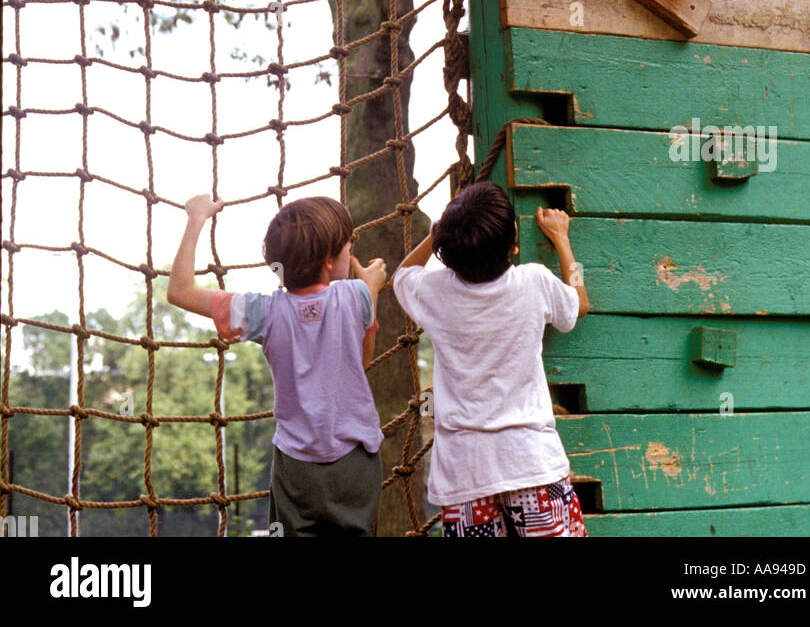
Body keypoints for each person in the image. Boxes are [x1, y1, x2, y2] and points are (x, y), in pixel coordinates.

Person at [167, 193, 387, 537]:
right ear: (329, 260)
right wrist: (372, 284)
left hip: (296, 468)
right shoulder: (356, 296)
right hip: (354, 464)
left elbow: (179, 290)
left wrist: (196, 217)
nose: (351, 253)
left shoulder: (265, 313)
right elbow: (363, 359)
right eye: (347, 247)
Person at [393, 180, 589, 538]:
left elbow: (402, 274)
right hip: (531, 463)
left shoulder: (434, 291)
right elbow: (579, 302)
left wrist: (437, 233)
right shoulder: (535, 282)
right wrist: (561, 238)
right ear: (513, 246)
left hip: (463, 475)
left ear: (447, 250)